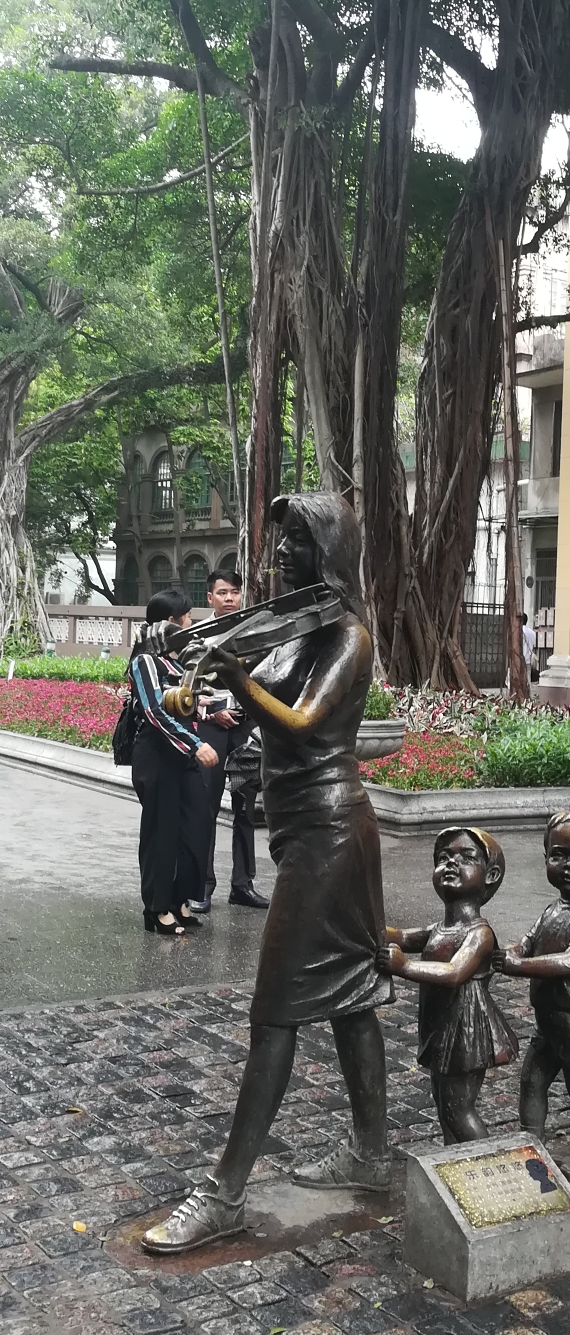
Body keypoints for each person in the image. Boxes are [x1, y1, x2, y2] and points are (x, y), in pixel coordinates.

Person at [142, 493, 394, 1253]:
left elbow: (306, 720)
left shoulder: (348, 634)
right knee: (350, 997)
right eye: (281, 542)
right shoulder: (293, 632)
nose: (283, 555)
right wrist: (205, 690)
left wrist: (237, 679)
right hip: (302, 833)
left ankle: (224, 1193)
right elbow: (252, 708)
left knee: (274, 1010)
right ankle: (373, 1155)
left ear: (330, 554)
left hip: (330, 833)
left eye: (299, 543)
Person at [494, 811, 570, 1176]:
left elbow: (569, 962)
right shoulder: (553, 910)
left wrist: (518, 966)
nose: (568, 866)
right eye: (559, 855)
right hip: (550, 1020)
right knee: (532, 1080)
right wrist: (513, 952)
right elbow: (528, 943)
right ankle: (530, 1143)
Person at [378, 827, 519, 1143]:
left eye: (466, 857)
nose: (451, 863)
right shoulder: (438, 928)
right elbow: (400, 936)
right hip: (443, 1026)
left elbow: (455, 972)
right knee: (444, 1104)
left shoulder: (479, 933)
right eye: (443, 858)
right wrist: (367, 921)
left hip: (467, 1028)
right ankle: (453, 1159)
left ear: (490, 875)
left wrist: (405, 966)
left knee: (459, 1108)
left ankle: (486, 1164)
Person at [128, 589, 220, 938]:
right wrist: (196, 744)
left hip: (184, 756)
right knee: (161, 833)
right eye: (186, 617)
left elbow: (192, 702)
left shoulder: (178, 662)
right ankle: (157, 907)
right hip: (157, 755)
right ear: (170, 622)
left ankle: (183, 898)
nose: (190, 622)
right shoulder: (144, 662)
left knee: (198, 825)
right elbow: (153, 712)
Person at [189, 569, 268, 914]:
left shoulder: (252, 633)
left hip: (245, 731)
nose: (229, 598)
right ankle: (202, 886)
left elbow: (262, 679)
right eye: (222, 592)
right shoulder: (199, 636)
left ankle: (243, 885)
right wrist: (214, 712)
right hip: (211, 730)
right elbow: (187, 687)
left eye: (234, 592)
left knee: (245, 810)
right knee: (205, 808)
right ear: (210, 598)